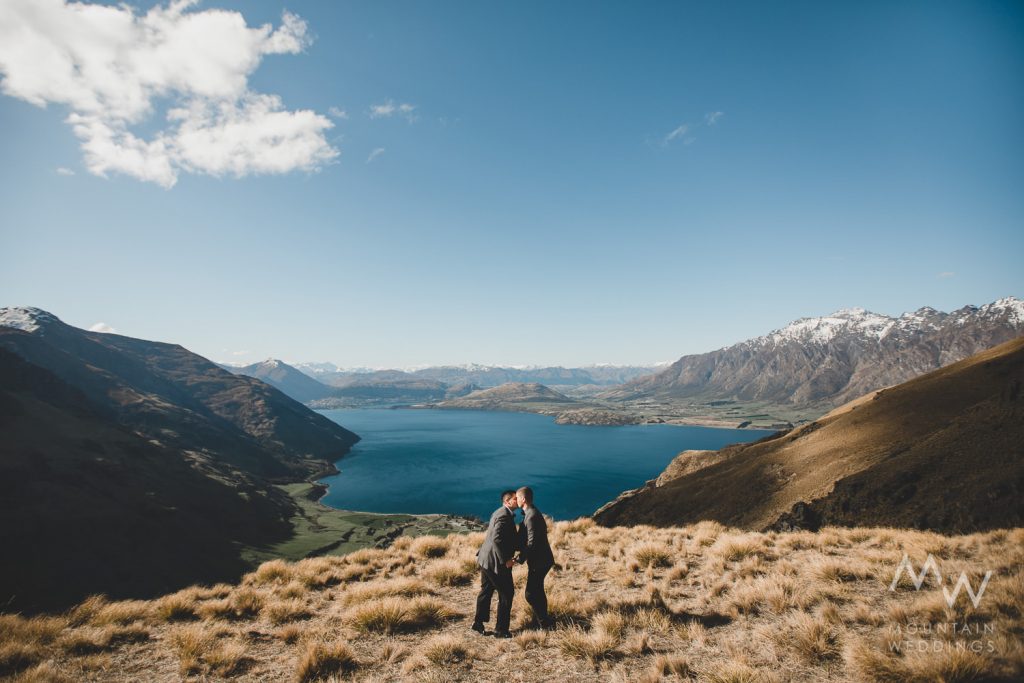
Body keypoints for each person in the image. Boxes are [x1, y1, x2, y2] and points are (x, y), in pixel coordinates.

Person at [472, 489, 519, 638]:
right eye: (515, 498)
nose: (518, 500)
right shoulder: (504, 516)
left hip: (485, 559)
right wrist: (506, 560)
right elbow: (496, 539)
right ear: (507, 501)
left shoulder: (500, 512)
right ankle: (501, 630)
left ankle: (478, 623)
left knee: (486, 591)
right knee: (507, 594)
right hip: (495, 562)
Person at [515, 486, 555, 628]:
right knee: (538, 590)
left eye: (517, 498)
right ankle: (544, 619)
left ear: (523, 499)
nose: (515, 500)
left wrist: (519, 558)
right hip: (543, 560)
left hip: (540, 561)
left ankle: (544, 623)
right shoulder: (531, 513)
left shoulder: (531, 516)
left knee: (530, 594)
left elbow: (531, 543)